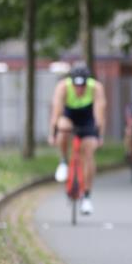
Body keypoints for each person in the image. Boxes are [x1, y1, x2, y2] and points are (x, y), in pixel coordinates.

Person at [49, 63, 107, 215]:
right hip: (69, 115)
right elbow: (56, 111)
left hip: (87, 118)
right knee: (63, 129)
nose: (79, 89)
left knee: (88, 152)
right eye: (76, 85)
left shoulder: (96, 88)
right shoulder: (62, 87)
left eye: (83, 86)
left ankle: (87, 197)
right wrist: (53, 133)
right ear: (71, 82)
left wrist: (99, 135)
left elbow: (99, 112)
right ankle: (63, 161)